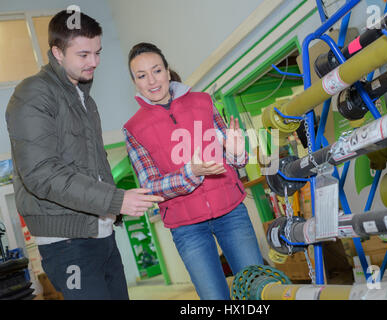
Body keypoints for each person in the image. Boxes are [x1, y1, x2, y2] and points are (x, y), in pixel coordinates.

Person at [5, 11, 163, 300]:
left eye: (98, 52)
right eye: (84, 54)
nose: (94, 62)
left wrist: (111, 209)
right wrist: (116, 199)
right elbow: (42, 173)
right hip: (68, 244)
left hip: (102, 235)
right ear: (57, 52)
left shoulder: (82, 98)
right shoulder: (32, 93)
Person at [124, 42, 264, 300]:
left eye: (156, 71)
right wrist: (191, 173)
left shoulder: (203, 101)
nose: (152, 81)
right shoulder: (133, 128)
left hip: (230, 211)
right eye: (142, 76)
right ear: (135, 83)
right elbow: (150, 186)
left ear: (167, 71)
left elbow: (238, 160)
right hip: (186, 226)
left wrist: (236, 150)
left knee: (255, 289)